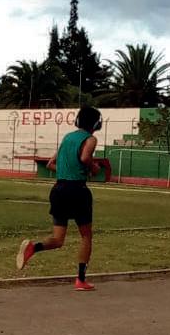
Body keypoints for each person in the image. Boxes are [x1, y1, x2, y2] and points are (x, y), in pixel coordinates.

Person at [16, 105, 104, 292]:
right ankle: (81, 280)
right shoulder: (90, 139)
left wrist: (68, 170)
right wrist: (94, 168)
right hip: (77, 190)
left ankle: (33, 248)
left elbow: (50, 164)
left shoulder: (67, 138)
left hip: (59, 190)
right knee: (86, 236)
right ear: (96, 123)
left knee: (58, 240)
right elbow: (85, 157)